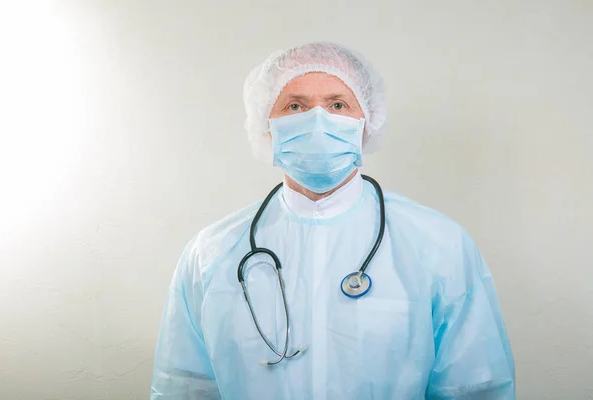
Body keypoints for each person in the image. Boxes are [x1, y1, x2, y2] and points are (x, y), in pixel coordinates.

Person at [150, 42, 515, 399]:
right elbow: (183, 386)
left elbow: (474, 386)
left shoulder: (438, 245)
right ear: (267, 125)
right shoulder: (211, 254)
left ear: (366, 121)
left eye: (337, 104)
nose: (317, 120)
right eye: (295, 105)